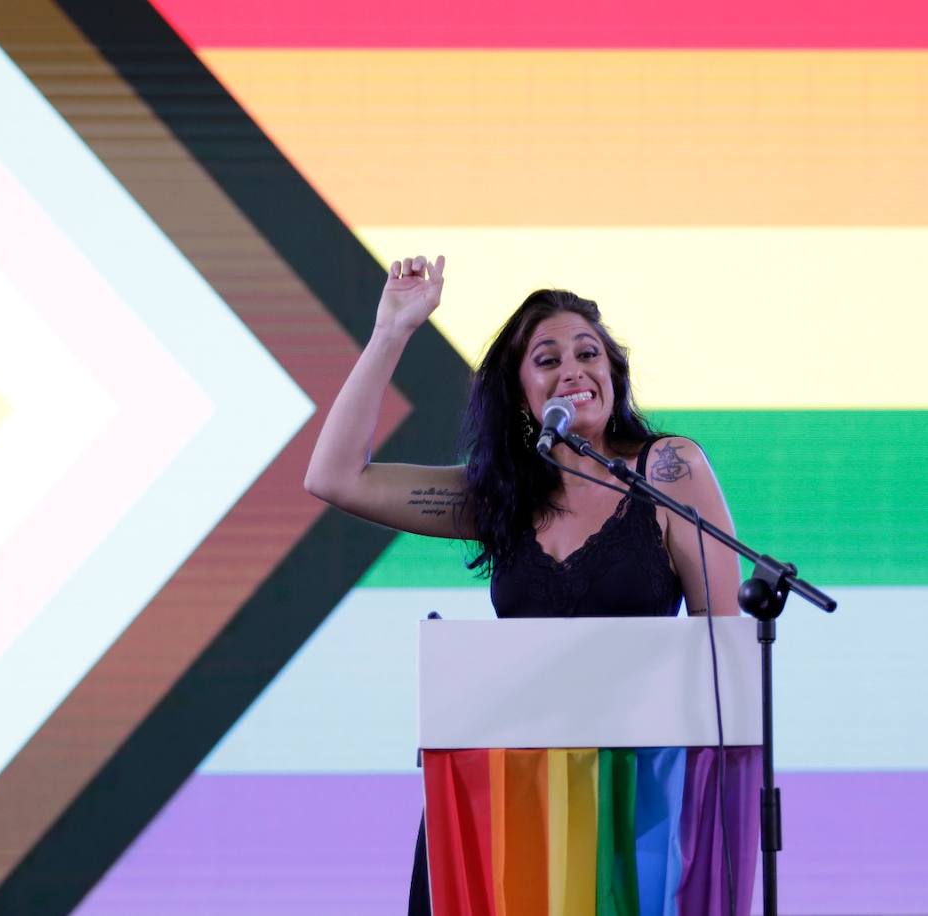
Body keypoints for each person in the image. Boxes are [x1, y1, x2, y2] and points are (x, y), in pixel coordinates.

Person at [303, 254, 741, 911]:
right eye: (547, 359)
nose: (574, 370)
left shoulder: (671, 469)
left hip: (628, 795)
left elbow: (721, 648)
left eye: (589, 353)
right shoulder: (498, 499)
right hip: (505, 794)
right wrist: (391, 331)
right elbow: (335, 477)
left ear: (613, 375)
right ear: (521, 397)